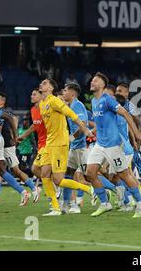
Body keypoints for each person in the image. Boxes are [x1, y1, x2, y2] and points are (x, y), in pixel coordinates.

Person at [85, 72, 141, 218]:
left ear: (102, 85)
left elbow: (125, 113)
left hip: (113, 145)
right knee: (90, 173)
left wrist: (137, 133)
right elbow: (101, 123)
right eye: (92, 80)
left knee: (124, 175)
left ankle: (139, 202)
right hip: (100, 145)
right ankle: (105, 203)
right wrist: (91, 132)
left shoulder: (108, 100)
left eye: (95, 80)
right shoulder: (94, 101)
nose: (92, 82)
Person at [38, 78, 94, 217]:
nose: (41, 84)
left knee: (58, 179)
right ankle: (56, 208)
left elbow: (71, 114)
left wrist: (85, 130)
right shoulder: (42, 104)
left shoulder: (54, 100)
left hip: (60, 143)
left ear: (51, 88)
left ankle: (87, 188)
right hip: (50, 143)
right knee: (44, 174)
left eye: (45, 83)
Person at [0, 93, 39, 204]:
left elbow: (0, 128)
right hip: (2, 145)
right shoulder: (0, 113)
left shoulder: (2, 113)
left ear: (2, 102)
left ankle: (33, 188)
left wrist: (13, 137)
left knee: (16, 171)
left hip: (6, 146)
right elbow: (14, 119)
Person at [61, 82, 93, 214]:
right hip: (75, 148)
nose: (63, 92)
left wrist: (70, 138)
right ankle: (69, 204)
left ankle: (109, 194)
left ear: (72, 93)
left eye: (65, 90)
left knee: (91, 176)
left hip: (80, 148)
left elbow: (83, 125)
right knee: (68, 174)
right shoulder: (70, 106)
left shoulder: (78, 105)